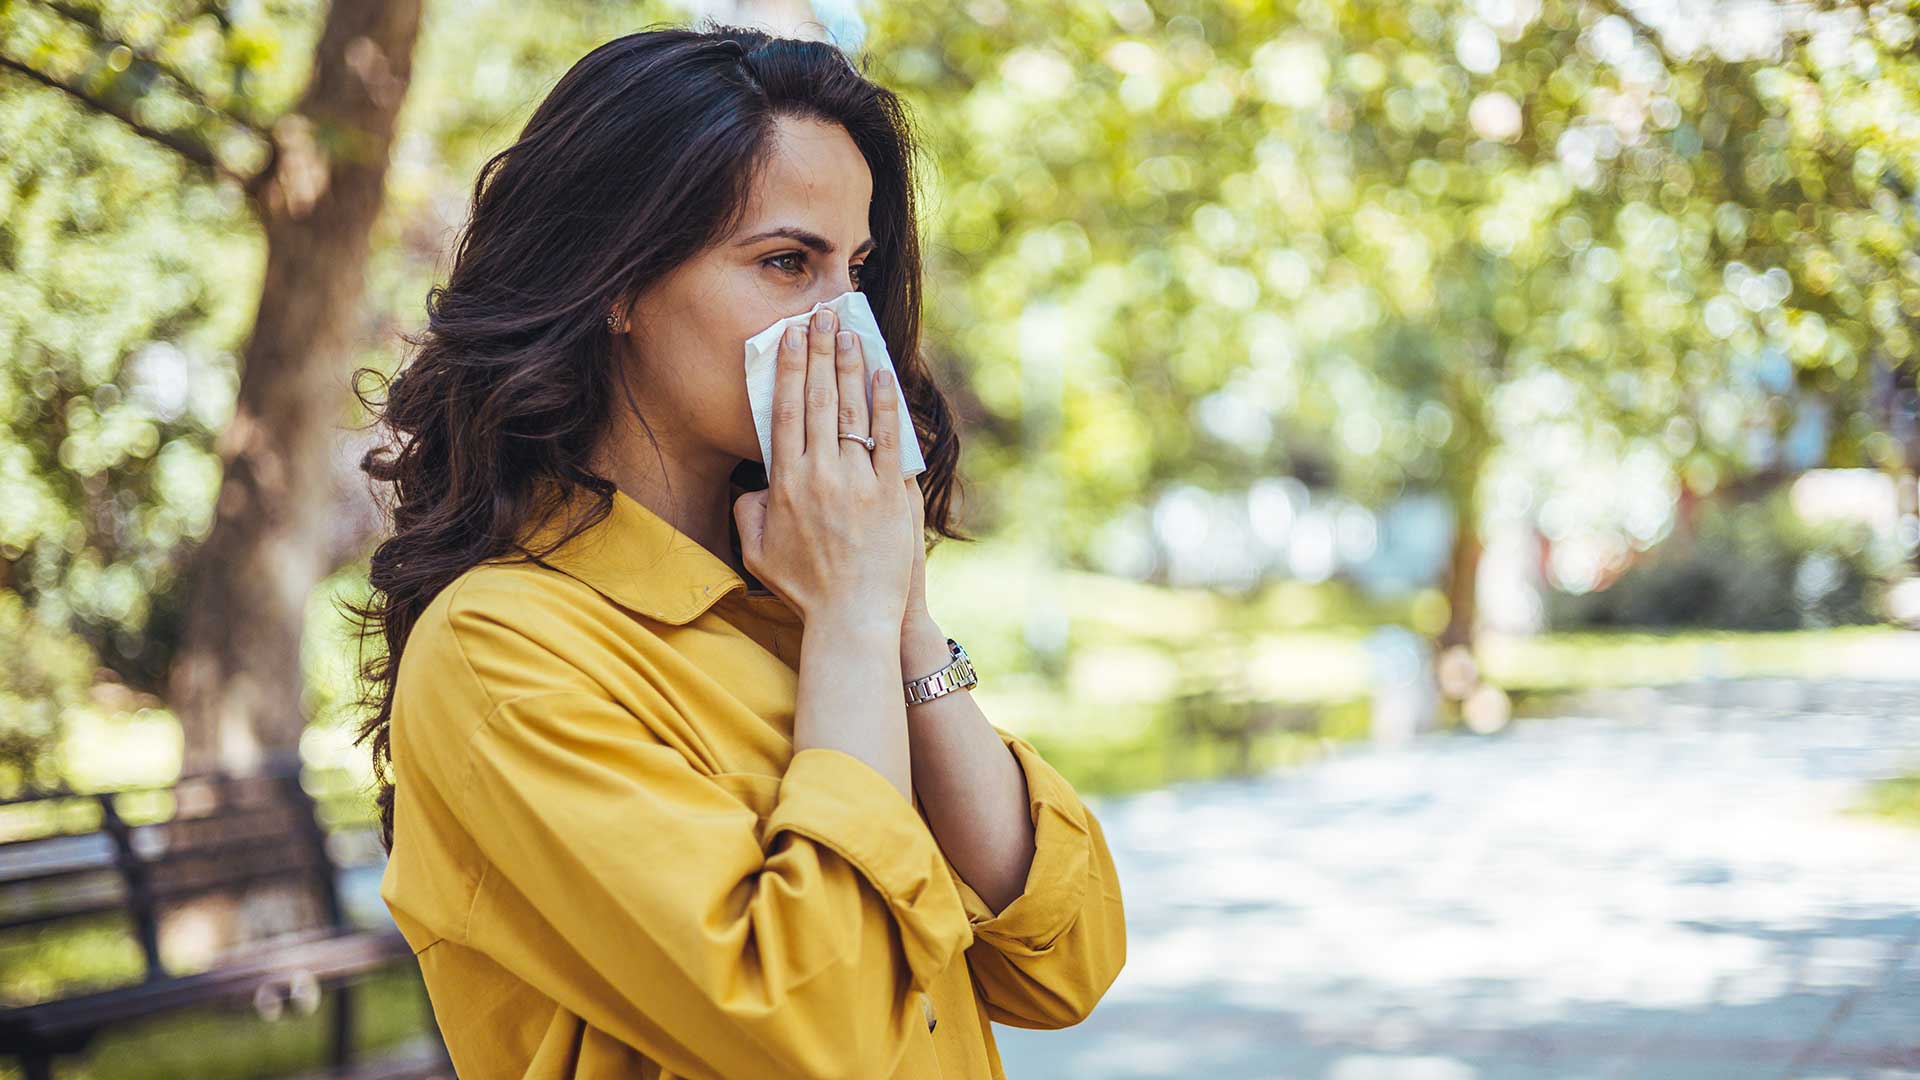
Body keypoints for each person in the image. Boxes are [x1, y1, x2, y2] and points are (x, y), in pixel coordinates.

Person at [347, 22, 1127, 1079]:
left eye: (855, 269)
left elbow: (1064, 960)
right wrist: (852, 620)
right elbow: (823, 1034)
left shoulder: (798, 593)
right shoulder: (501, 652)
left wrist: (896, 614)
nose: (843, 324)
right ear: (615, 281)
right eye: (783, 263)